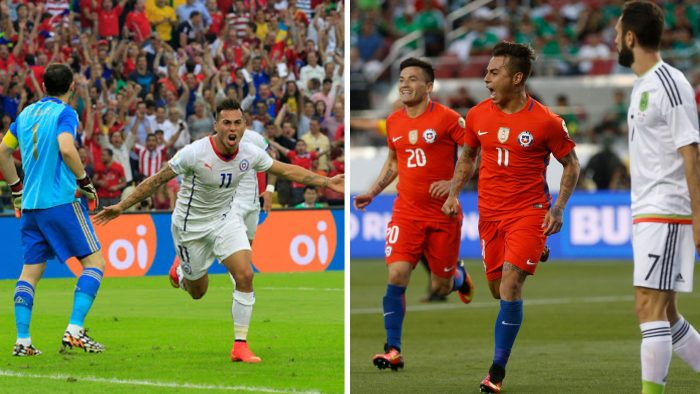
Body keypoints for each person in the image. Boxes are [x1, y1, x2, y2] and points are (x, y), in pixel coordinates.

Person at [94, 99, 343, 363]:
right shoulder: (194, 153)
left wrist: (326, 181)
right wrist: (121, 206)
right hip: (190, 228)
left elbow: (287, 170)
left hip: (225, 219)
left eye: (237, 122)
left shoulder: (250, 152)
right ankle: (181, 271)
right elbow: (156, 180)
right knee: (198, 292)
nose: (232, 128)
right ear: (216, 125)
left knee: (245, 274)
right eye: (226, 123)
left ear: (244, 125)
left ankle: (240, 345)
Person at [442, 42, 580, 393]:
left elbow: (571, 165)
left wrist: (558, 207)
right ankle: (535, 249)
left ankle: (496, 372)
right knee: (495, 292)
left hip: (528, 212)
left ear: (517, 78)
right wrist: (455, 192)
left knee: (510, 286)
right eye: (487, 71)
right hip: (490, 214)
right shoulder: (476, 116)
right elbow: (468, 157)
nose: (485, 77)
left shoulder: (546, 121)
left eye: (493, 72)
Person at [353, 57, 475, 372]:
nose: (405, 84)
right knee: (396, 274)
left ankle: (459, 278)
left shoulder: (448, 119)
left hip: (443, 215)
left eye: (413, 79)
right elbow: (394, 162)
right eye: (402, 79)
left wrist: (453, 186)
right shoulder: (394, 121)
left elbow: (475, 153)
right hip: (406, 212)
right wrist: (373, 190)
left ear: (429, 86)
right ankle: (393, 349)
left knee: (441, 287)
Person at [615, 2, 700, 393]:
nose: (615, 40)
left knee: (647, 308)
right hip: (648, 212)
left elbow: (691, 154)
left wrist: (698, 219)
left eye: (618, 34)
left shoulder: (670, 82)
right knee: (665, 314)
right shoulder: (642, 85)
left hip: (667, 211)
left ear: (631, 38)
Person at [0, 63, 105, 356]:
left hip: (31, 207)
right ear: (72, 86)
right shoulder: (65, 113)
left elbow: (2, 152)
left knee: (30, 272)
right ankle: (74, 330)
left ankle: (23, 341)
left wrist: (16, 188)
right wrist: (85, 182)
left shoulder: (25, 114)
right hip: (60, 202)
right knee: (95, 264)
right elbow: (67, 148)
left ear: (43, 86)